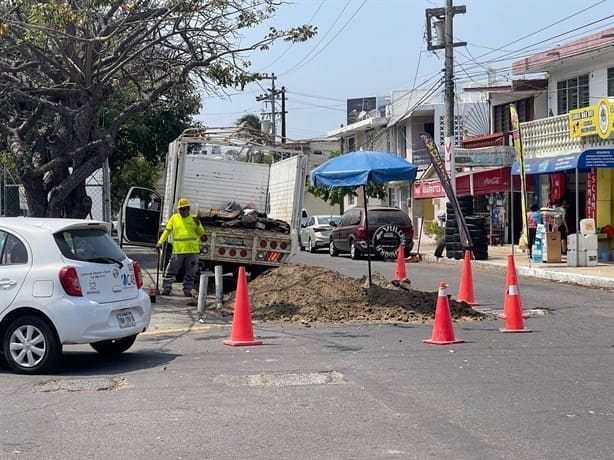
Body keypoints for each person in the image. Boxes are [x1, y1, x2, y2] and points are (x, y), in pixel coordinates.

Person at [156, 198, 205, 297]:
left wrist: (198, 224)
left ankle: (187, 290)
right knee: (171, 271)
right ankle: (166, 288)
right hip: (178, 251)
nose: (182, 211)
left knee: (191, 272)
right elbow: (167, 231)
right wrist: (160, 242)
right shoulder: (174, 218)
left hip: (192, 251)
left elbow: (201, 233)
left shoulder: (193, 219)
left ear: (188, 209)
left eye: (184, 209)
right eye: (180, 209)